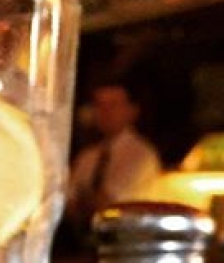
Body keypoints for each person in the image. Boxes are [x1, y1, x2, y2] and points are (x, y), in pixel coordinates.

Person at [65, 79, 162, 237]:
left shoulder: (141, 155)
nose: (106, 112)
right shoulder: (87, 158)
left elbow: (107, 205)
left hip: (126, 243)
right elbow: (68, 205)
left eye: (113, 105)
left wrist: (82, 200)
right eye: (100, 105)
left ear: (132, 110)